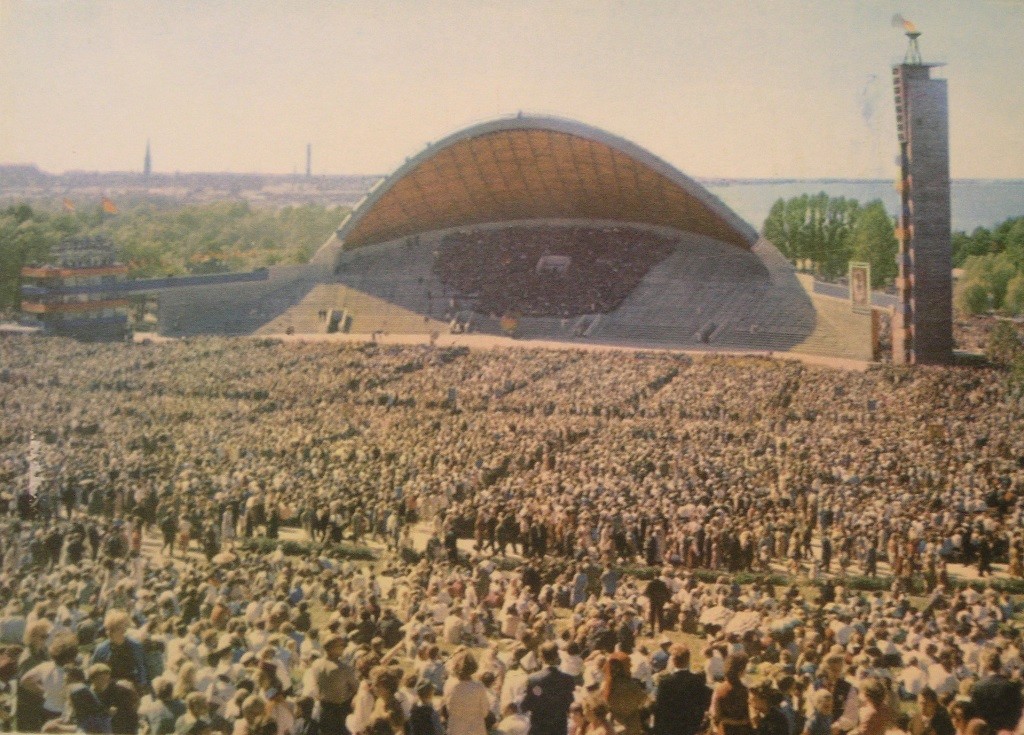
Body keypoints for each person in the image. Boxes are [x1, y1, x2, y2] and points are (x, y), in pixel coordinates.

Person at [303, 632, 358, 735]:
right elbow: (356, 688)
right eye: (341, 645)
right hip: (341, 710)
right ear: (332, 648)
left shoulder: (316, 664)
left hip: (323, 708)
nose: (344, 647)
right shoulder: (342, 668)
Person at [652, 644, 712, 735]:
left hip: (670, 726)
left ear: (673, 661)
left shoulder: (665, 682)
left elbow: (659, 708)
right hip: (691, 726)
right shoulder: (697, 680)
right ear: (688, 660)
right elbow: (705, 703)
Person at [522, 642, 577, 735]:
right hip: (559, 728)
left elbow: (526, 704)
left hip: (539, 728)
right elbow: (570, 703)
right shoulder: (567, 679)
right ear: (557, 656)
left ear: (541, 657)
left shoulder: (533, 679)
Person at [969, 649, 1023, 733]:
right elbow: (1017, 711)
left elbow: (975, 713)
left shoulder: (977, 687)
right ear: (1000, 664)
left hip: (985, 731)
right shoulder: (1011, 686)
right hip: (1007, 730)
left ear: (985, 666)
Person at [442, 650, 491, 735]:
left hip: (455, 729)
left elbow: (447, 709)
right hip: (476, 730)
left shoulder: (449, 685)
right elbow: (485, 712)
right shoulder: (479, 687)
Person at [601, 652, 650, 735]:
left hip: (614, 726)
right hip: (632, 725)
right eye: (628, 664)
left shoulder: (606, 686)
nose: (631, 666)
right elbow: (643, 701)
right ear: (623, 667)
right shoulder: (631, 685)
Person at [710, 653, 751, 735]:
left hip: (724, 730)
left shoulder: (719, 689)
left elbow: (715, 715)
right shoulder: (746, 691)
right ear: (740, 672)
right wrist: (740, 722)